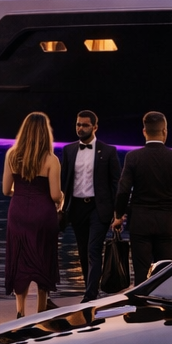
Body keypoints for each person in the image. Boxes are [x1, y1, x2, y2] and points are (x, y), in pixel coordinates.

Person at [114, 111, 172, 286]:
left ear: (144, 131)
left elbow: (123, 190)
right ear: (164, 131)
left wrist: (119, 215)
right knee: (165, 272)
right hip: (166, 222)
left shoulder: (133, 157)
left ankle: (141, 309)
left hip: (140, 222)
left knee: (141, 274)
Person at [2, 112, 63, 319]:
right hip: (43, 213)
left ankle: (20, 310)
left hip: (17, 211)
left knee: (19, 258)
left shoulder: (12, 155)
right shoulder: (51, 160)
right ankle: (41, 309)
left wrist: (19, 193)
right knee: (43, 257)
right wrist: (61, 197)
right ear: (45, 133)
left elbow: (5, 190)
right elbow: (55, 195)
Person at [59, 110, 121, 302]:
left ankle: (90, 295)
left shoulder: (109, 151)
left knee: (94, 249)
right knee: (83, 251)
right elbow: (64, 181)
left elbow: (116, 183)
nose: (80, 128)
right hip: (76, 208)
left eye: (85, 125)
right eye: (78, 124)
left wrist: (118, 212)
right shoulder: (68, 150)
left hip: (98, 207)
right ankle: (90, 287)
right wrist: (60, 206)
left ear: (95, 127)